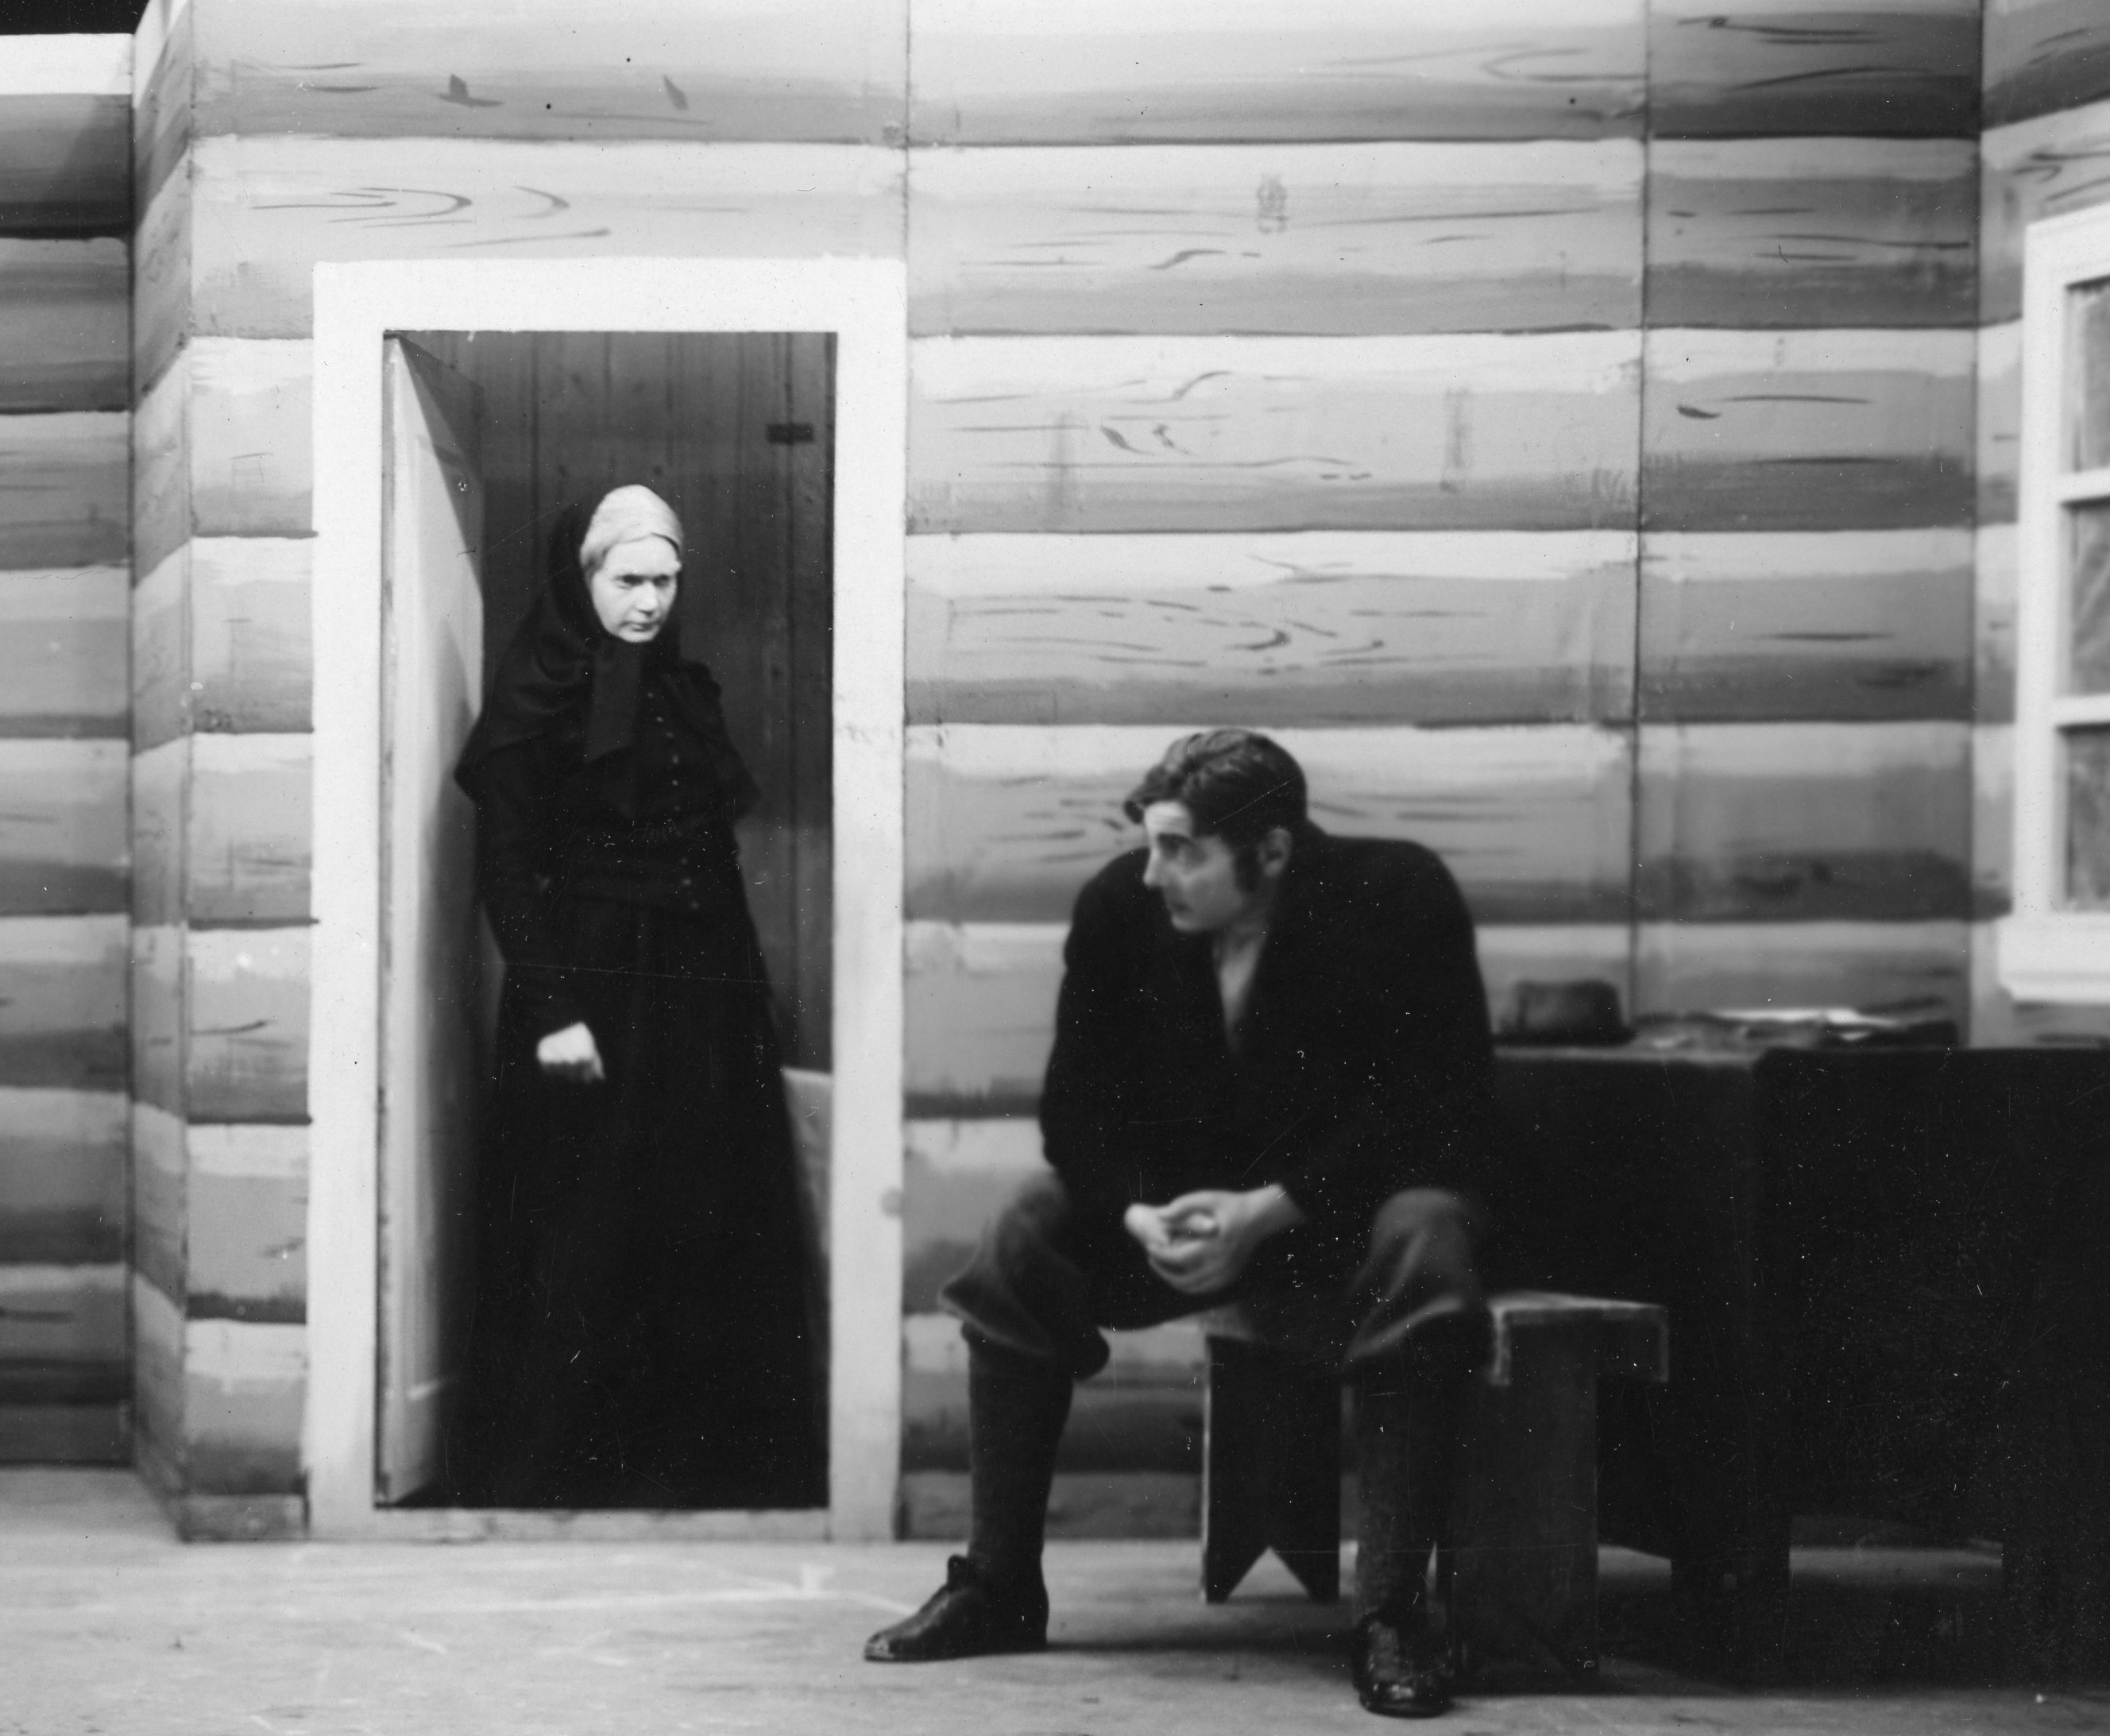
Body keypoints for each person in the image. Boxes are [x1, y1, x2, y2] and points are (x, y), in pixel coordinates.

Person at [863, 729, 1496, 1719]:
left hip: (1335, 1218)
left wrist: (1270, 1208)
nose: (1152, 871)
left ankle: (1392, 1616)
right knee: (1022, 1235)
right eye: (1150, 843)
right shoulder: (1122, 906)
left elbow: (1433, 1109)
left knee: (1427, 1237)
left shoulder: (1395, 897)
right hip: (1183, 1225)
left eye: (1180, 850)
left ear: (1270, 852)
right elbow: (1072, 1111)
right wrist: (1135, 1215)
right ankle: (996, 1585)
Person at [450, 483, 821, 1507]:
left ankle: (701, 1467)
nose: (649, 601)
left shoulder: (680, 690)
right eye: (627, 580)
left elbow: (708, 850)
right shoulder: (532, 699)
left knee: (703, 1212)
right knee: (589, 1215)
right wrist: (553, 1009)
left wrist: (739, 997)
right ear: (583, 578)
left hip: (703, 991)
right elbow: (506, 872)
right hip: (592, 986)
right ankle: (567, 1466)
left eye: (665, 580)